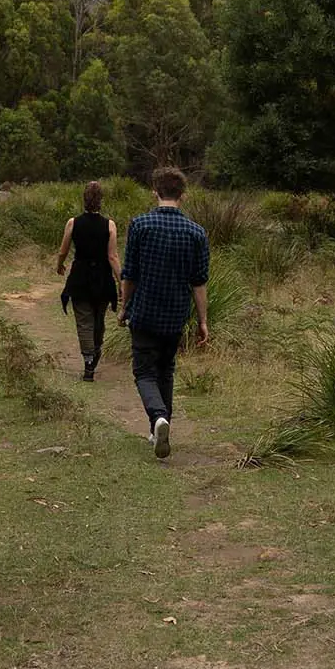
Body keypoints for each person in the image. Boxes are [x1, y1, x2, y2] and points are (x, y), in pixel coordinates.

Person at [118, 167, 210, 459]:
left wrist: (123, 306)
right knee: (166, 370)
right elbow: (199, 281)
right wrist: (203, 321)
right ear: (182, 195)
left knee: (144, 371)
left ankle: (157, 417)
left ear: (155, 191)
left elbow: (129, 273)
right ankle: (160, 424)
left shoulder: (140, 225)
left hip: (145, 309)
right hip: (175, 313)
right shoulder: (196, 232)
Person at [55, 180, 121, 381]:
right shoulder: (109, 225)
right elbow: (112, 256)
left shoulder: (73, 223)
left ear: (84, 199)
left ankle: (88, 361)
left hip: (80, 276)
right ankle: (95, 351)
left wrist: (59, 264)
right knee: (98, 320)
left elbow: (63, 249)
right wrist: (121, 281)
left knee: (84, 321)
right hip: (102, 278)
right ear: (101, 200)